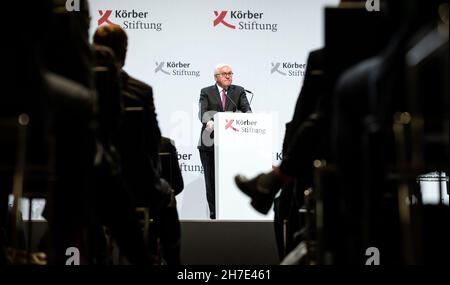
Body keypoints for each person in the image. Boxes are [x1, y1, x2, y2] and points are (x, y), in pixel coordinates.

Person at [198, 64, 252, 219]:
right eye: (224, 74)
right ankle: (214, 217)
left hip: (232, 146)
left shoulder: (238, 91)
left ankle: (231, 216)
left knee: (229, 183)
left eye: (230, 73)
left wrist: (248, 116)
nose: (228, 76)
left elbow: (247, 110)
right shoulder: (206, 91)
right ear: (216, 77)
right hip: (209, 143)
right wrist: (209, 122)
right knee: (211, 183)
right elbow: (203, 113)